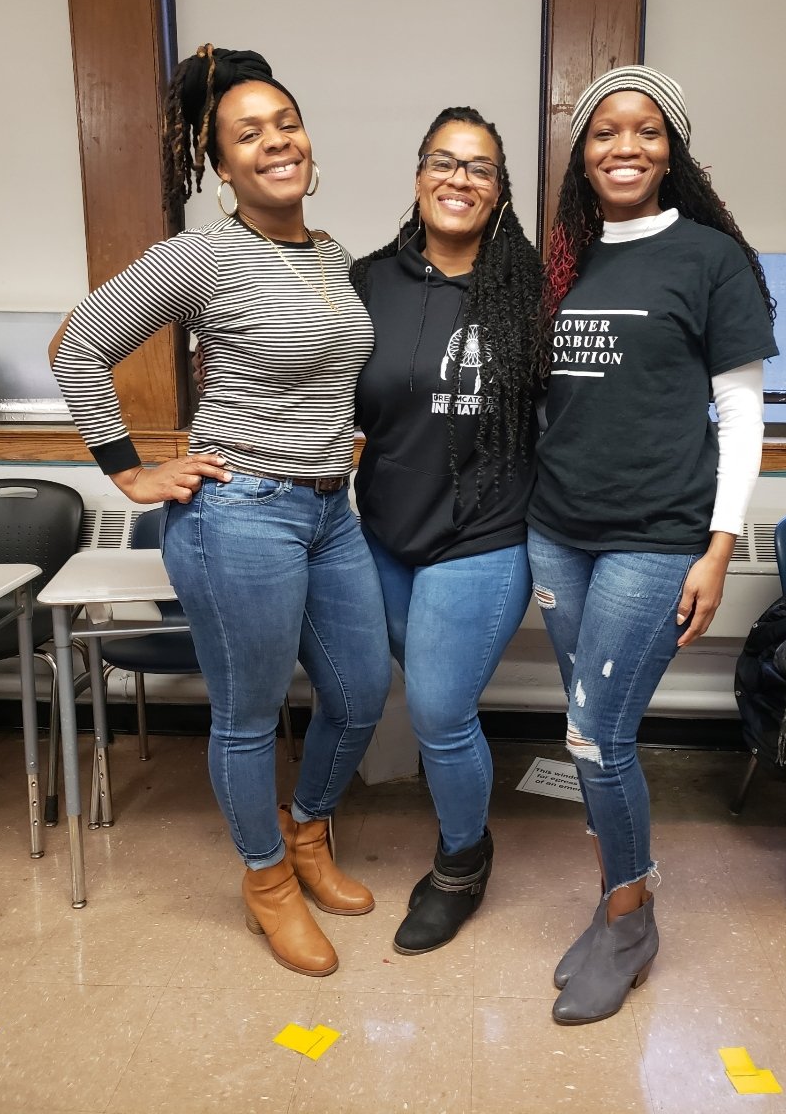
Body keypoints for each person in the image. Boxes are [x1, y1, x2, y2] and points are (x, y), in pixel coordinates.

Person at [50, 43, 391, 979]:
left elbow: (332, 372)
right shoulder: (200, 254)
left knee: (361, 689)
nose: (276, 143)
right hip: (240, 514)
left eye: (286, 123)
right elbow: (78, 347)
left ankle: (310, 833)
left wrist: (349, 438)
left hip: (332, 509)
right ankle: (267, 879)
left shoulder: (332, 254)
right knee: (248, 716)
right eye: (250, 133)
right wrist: (130, 471)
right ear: (220, 161)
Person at [527, 65, 778, 1024]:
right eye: (603, 133)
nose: (624, 148)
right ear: (582, 154)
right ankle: (616, 900)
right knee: (591, 735)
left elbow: (742, 417)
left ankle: (630, 916)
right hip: (557, 534)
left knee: (597, 733)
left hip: (655, 535)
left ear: (672, 151)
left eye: (646, 132)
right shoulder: (563, 260)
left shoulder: (711, 257)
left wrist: (718, 547)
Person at [350, 107, 543, 953]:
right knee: (414, 687)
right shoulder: (363, 282)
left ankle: (463, 860)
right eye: (445, 160)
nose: (460, 179)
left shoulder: (534, 292)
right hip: (384, 532)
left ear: (500, 193)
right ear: (419, 174)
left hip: (485, 535)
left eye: (482, 168)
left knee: (436, 706)